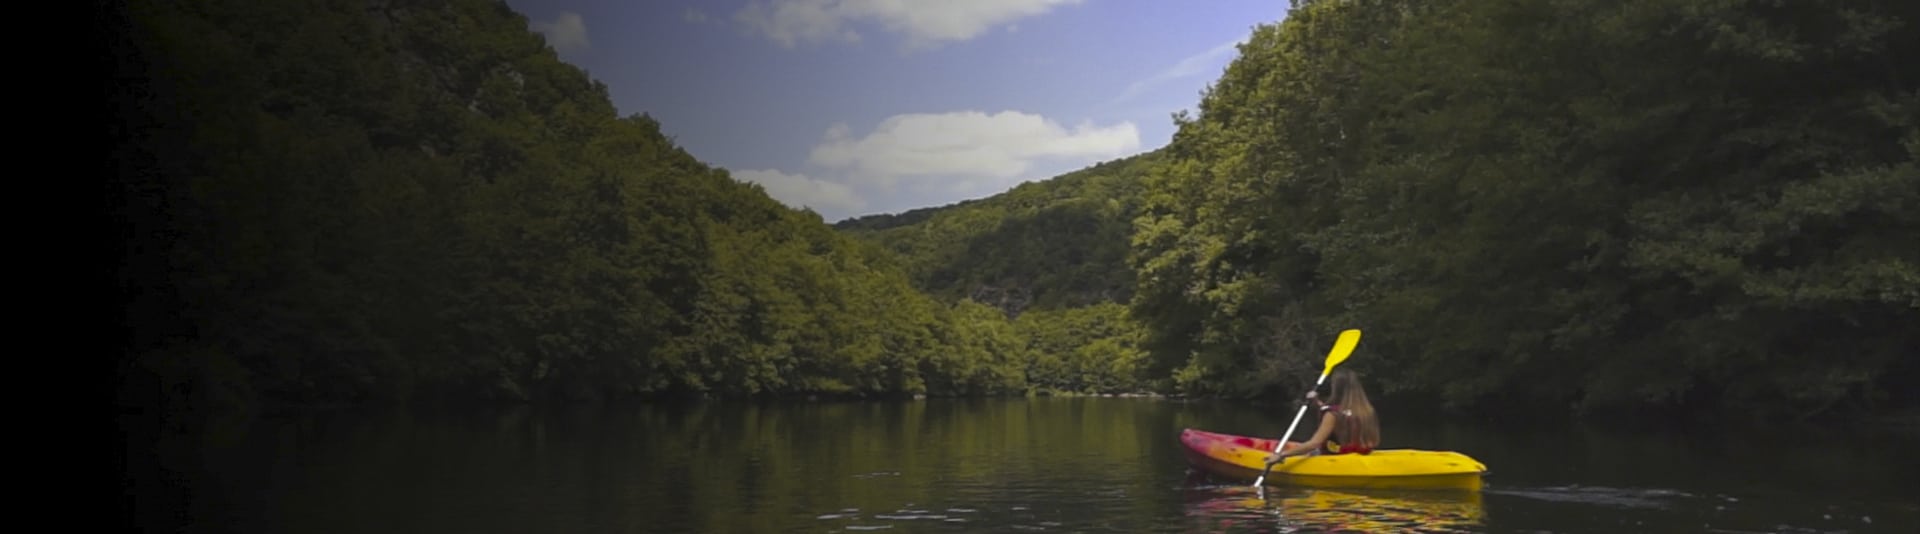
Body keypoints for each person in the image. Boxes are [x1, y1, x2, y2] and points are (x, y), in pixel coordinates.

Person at [1265, 368, 1381, 465]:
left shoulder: (1332, 415)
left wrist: (1281, 455)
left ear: (1336, 388)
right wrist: (1316, 402)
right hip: (1359, 455)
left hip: (1336, 460)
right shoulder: (1367, 410)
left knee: (1311, 451)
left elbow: (1314, 443)